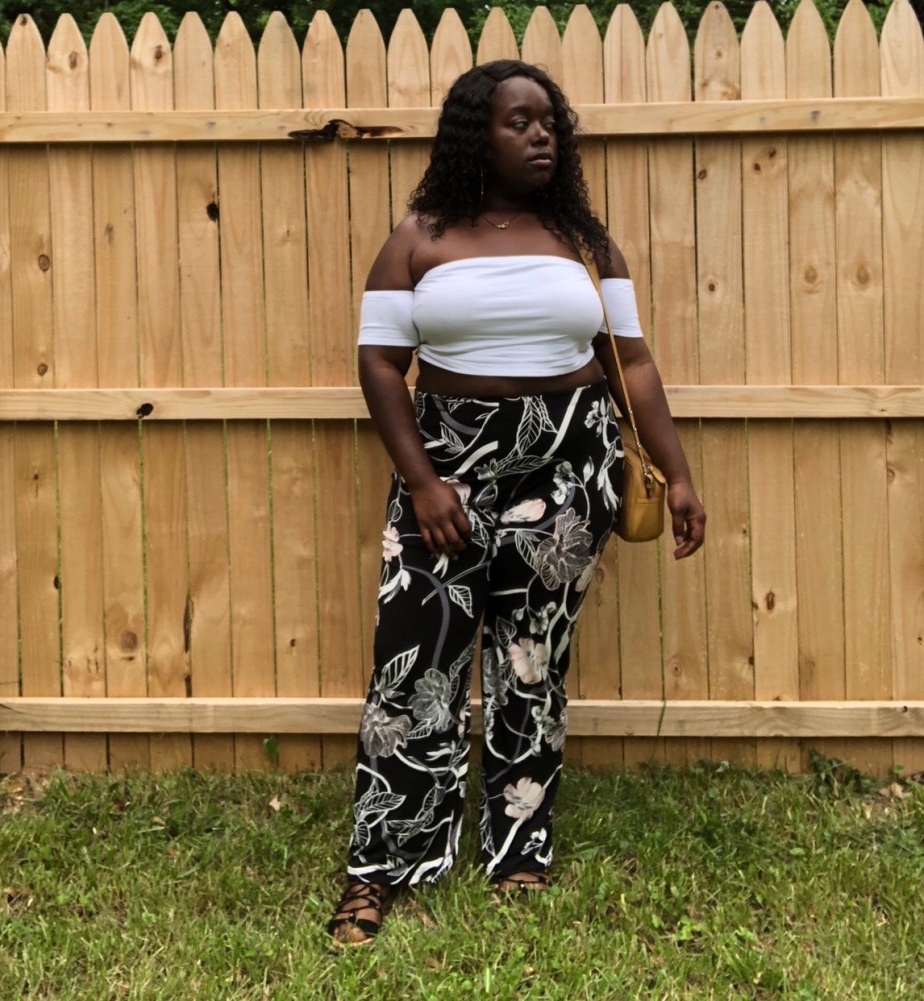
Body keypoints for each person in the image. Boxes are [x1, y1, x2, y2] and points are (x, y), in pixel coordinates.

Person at [328, 59, 705, 945]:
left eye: (550, 123)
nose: (543, 136)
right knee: (414, 665)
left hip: (568, 472)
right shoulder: (417, 238)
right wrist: (423, 482)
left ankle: (518, 848)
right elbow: (379, 363)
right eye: (520, 122)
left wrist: (678, 471)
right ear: (476, 134)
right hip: (445, 475)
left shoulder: (584, 242)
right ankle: (382, 863)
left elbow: (632, 362)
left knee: (531, 662)